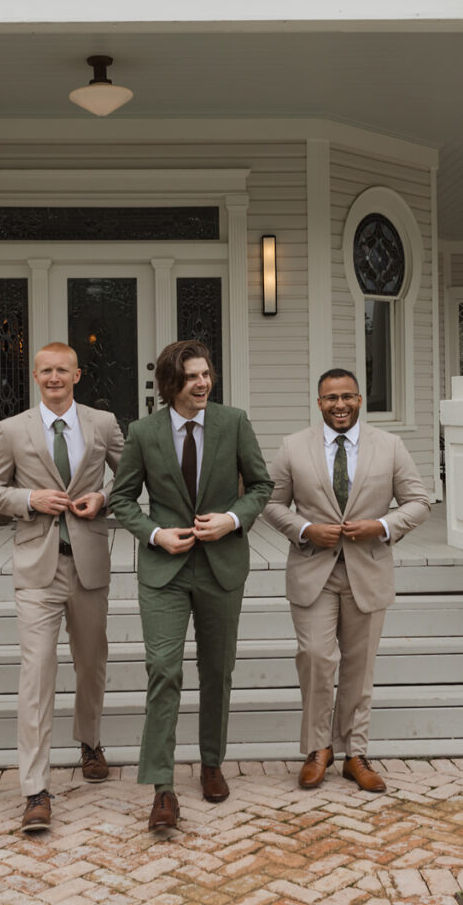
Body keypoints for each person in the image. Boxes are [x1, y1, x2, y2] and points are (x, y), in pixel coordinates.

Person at [109, 340, 273, 831]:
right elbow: (122, 498)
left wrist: (232, 519)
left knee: (217, 670)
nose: (203, 383)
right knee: (163, 669)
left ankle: (211, 763)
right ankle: (162, 787)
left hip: (222, 564)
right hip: (165, 571)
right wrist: (155, 534)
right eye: (192, 377)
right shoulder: (142, 432)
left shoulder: (234, 422)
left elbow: (262, 486)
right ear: (170, 385)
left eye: (207, 374)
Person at [0, 342, 124, 832]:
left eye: (63, 370)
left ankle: (89, 741)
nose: (55, 377)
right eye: (46, 371)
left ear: (78, 374)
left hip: (88, 563)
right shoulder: (12, 429)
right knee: (36, 675)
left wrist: (102, 497)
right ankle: (35, 789)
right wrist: (29, 497)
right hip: (37, 567)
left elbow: (131, 481)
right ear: (34, 375)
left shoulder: (103, 423)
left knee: (91, 662)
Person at [263, 368, 430, 793]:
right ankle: (318, 749)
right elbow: (271, 503)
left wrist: (382, 525)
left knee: (360, 667)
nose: (340, 404)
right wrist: (304, 530)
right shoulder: (292, 446)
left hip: (367, 569)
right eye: (331, 398)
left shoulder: (389, 447)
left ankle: (355, 752)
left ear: (360, 400)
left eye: (348, 397)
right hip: (312, 570)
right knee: (316, 658)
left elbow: (419, 501)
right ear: (319, 403)